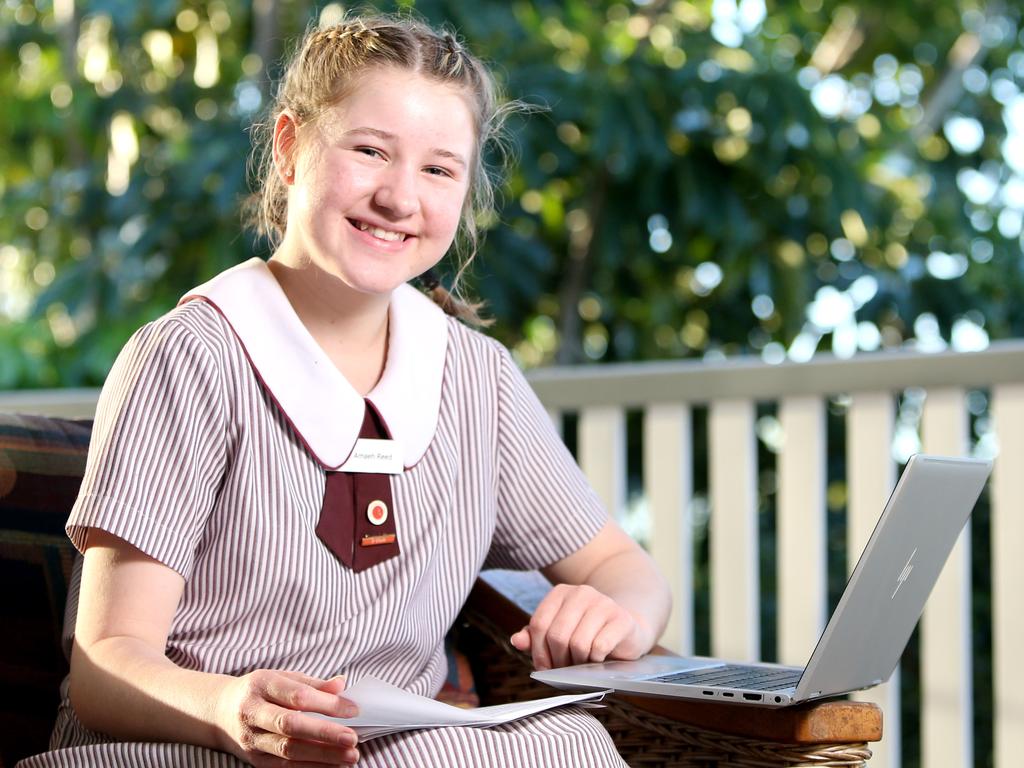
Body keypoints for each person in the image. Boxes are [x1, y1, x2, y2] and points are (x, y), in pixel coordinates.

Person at [19, 13, 670, 768]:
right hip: (185, 746)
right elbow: (105, 666)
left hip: (389, 750)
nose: (400, 197)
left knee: (572, 743)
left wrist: (612, 613)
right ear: (291, 148)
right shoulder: (190, 357)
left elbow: (628, 574)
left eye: (438, 169)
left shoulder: (478, 379)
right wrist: (231, 708)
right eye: (370, 152)